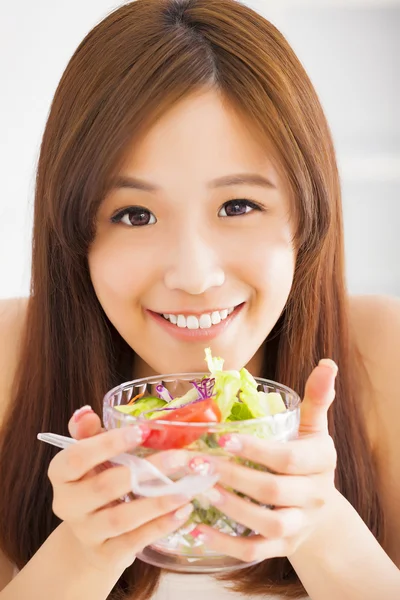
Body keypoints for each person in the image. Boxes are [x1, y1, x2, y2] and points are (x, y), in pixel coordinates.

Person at [0, 0, 399, 598]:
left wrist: (322, 529)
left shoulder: (384, 356)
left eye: (238, 206)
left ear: (307, 216)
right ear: (74, 234)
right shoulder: (9, 358)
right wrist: (84, 554)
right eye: (134, 214)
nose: (193, 274)